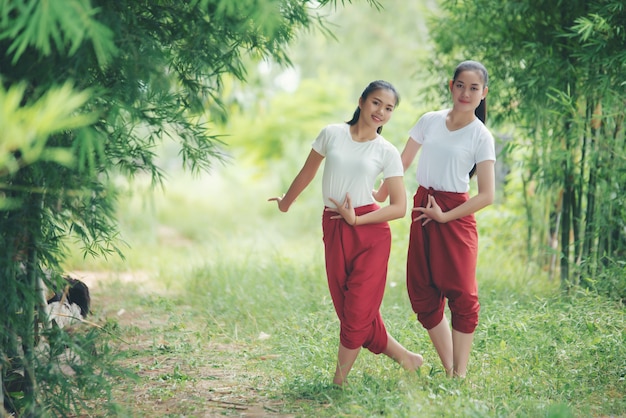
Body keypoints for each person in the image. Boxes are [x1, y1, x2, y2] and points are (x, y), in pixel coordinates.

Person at [268, 80, 423, 386]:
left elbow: (399, 207)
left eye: (389, 108)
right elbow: (308, 171)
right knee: (350, 309)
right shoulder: (332, 134)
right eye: (376, 103)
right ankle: (408, 359)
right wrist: (286, 202)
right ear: (362, 101)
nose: (381, 111)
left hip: (370, 233)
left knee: (356, 311)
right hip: (335, 227)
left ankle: (337, 384)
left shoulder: (387, 152)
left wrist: (357, 221)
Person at [374, 60, 496, 378]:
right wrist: (378, 196)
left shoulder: (481, 136)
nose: (465, 93)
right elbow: (401, 162)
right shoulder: (429, 121)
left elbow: (486, 195)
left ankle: (461, 374)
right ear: (450, 86)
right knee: (423, 292)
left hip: (455, 214)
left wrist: (445, 216)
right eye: (460, 85)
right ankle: (450, 369)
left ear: (484, 93)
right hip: (423, 209)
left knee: (463, 295)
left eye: (473, 88)